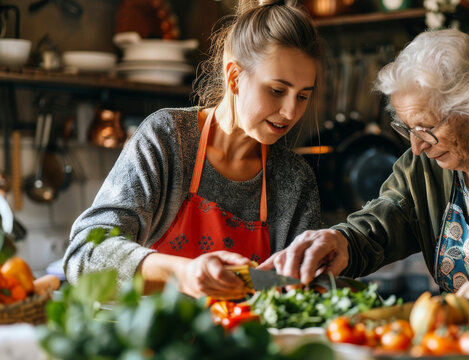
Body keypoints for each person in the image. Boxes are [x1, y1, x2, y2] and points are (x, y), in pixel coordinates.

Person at [260, 29, 469, 298]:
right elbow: (375, 228)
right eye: (408, 129)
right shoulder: (418, 169)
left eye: (427, 128)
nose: (417, 146)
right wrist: (337, 241)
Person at [65, 0, 323, 300]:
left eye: (303, 96)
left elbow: (306, 293)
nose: (291, 112)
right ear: (234, 77)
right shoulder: (167, 139)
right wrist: (183, 273)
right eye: (277, 91)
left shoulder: (294, 180)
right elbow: (85, 256)